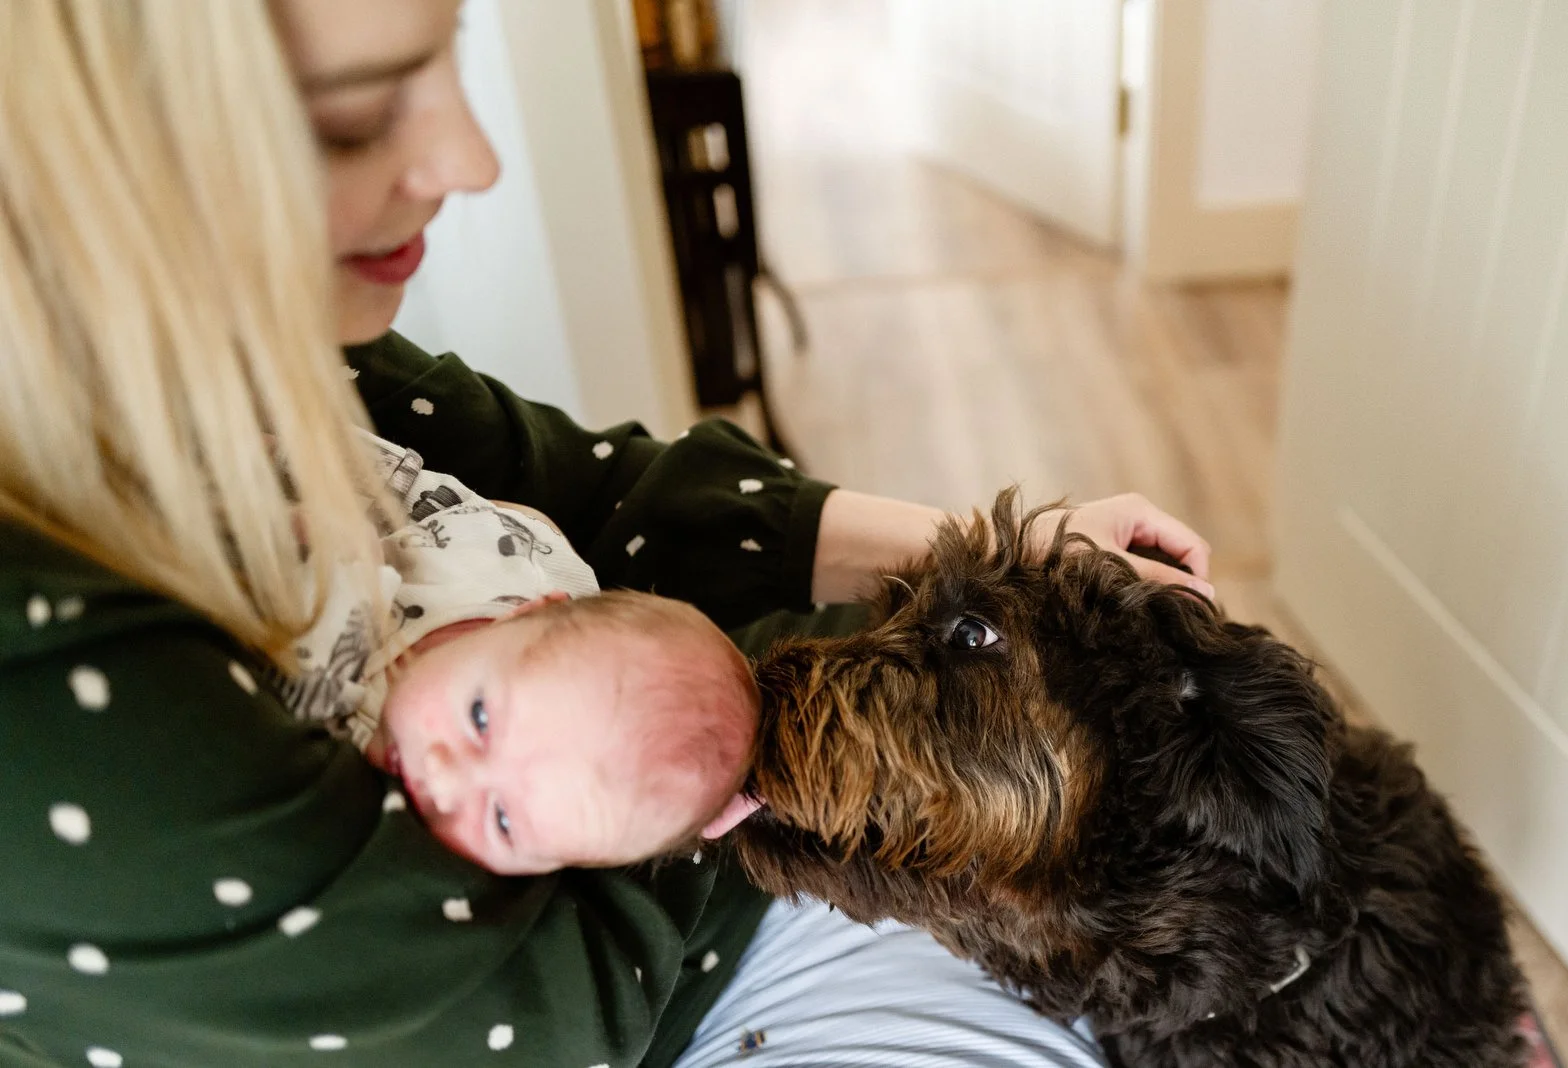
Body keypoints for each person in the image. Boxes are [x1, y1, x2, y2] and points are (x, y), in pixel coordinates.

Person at [0, 3, 1212, 1067]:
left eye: (451, 54)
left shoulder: (239, 340)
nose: (470, 159)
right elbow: (540, 1002)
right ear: (86, 150)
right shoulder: (46, 705)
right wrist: (765, 761)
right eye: (357, 116)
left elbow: (587, 488)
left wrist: (989, 555)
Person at [289, 432, 761, 876]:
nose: (443, 782)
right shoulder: (488, 556)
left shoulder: (350, 785)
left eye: (503, 822)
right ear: (524, 613)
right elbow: (390, 479)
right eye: (478, 719)